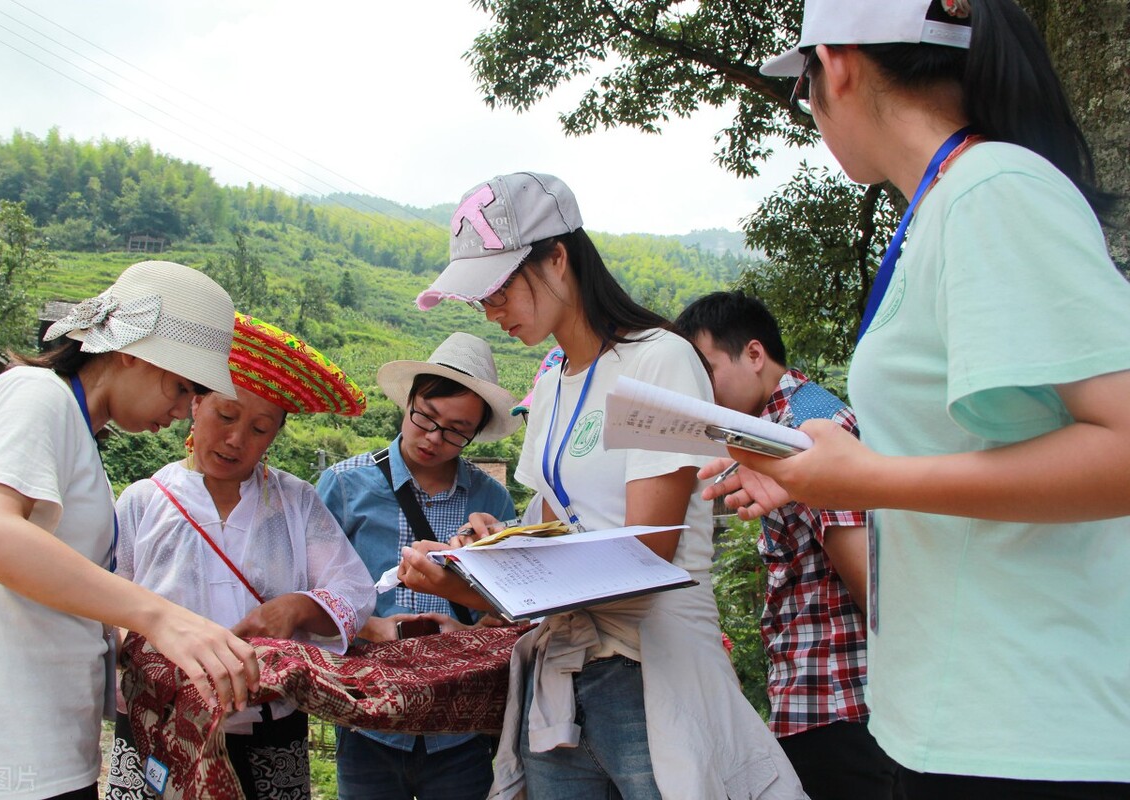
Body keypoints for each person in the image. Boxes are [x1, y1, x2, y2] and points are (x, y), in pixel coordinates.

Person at [701, 2, 1130, 798]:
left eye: (803, 90)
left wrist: (865, 481)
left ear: (837, 64)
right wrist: (810, 471)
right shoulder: (945, 207)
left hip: (1028, 730)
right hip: (953, 717)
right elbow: (973, 451)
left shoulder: (990, 191)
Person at [401, 172, 807, 799]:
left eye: (499, 287)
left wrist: (482, 584)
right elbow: (552, 520)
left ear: (558, 258)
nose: (491, 311)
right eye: (479, 298)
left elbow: (646, 554)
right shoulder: (554, 379)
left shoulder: (657, 362)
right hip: (562, 675)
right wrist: (493, 544)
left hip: (649, 673)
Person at [0, 260, 260, 800]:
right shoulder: (37, 395)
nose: (182, 411)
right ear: (131, 350)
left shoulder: (75, 434)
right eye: (179, 387)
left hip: (41, 739)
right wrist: (159, 616)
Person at [106, 313, 376, 800]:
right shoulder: (144, 501)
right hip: (163, 722)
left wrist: (295, 607)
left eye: (259, 428)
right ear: (195, 404)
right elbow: (108, 605)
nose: (236, 439)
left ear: (275, 435)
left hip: (268, 729)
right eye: (225, 416)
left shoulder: (296, 502)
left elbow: (354, 590)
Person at [676, 291, 899, 799]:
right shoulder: (774, 429)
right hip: (819, 696)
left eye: (706, 372)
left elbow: (870, 579)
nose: (701, 393)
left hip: (839, 700)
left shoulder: (808, 430)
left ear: (754, 355)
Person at [316, 331, 520, 800]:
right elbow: (309, 590)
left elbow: (512, 610)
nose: (433, 438)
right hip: (369, 716)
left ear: (475, 432)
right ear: (409, 400)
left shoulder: (491, 501)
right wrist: (370, 627)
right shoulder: (345, 486)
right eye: (425, 417)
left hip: (461, 725)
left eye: (455, 431)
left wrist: (468, 630)